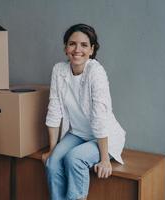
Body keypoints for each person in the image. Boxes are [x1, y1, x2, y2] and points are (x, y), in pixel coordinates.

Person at [41, 24, 126, 200]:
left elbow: (99, 117)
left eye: (84, 45)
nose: (77, 49)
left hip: (103, 137)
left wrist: (104, 160)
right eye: (72, 44)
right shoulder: (59, 70)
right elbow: (54, 111)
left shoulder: (96, 72)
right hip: (78, 134)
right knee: (53, 162)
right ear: (66, 48)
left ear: (92, 50)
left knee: (74, 159)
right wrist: (52, 150)